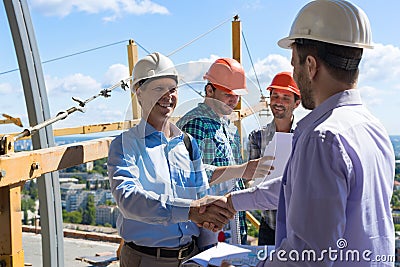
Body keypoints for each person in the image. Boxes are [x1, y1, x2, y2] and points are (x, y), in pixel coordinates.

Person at [220, 0, 395, 266]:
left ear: (311, 65)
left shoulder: (323, 139)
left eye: (295, 65)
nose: (295, 72)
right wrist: (233, 201)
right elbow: (297, 188)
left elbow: (306, 256)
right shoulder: (372, 127)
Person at [107, 52, 235, 267]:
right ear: (139, 94)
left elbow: (202, 196)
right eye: (158, 89)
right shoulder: (124, 145)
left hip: (191, 256)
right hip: (145, 259)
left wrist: (210, 253)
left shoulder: (187, 144)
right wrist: (189, 210)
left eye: (172, 89)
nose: (167, 95)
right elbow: (128, 200)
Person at [176, 58, 250, 246]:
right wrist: (243, 169)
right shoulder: (196, 123)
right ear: (210, 91)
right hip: (209, 231)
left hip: (229, 225)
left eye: (237, 95)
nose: (234, 100)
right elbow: (191, 176)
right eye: (228, 94)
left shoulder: (227, 125)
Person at [247, 71, 300, 246]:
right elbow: (250, 179)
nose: (278, 102)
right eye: (275, 96)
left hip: (299, 228)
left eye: (286, 97)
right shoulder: (257, 137)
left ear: (297, 103)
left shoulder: (306, 137)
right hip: (268, 226)